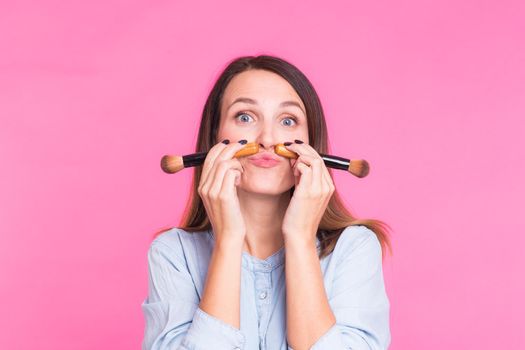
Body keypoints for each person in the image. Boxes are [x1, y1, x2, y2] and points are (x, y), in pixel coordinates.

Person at [141, 55, 393, 350]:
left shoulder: (354, 248)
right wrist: (229, 241)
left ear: (311, 143)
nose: (267, 139)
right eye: (245, 117)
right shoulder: (173, 254)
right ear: (215, 137)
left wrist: (299, 238)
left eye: (288, 121)